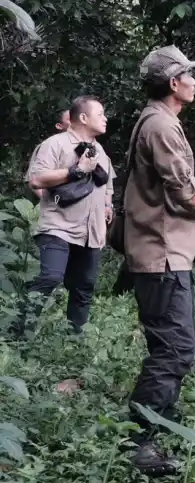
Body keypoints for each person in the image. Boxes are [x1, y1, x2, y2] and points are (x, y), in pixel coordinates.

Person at [123, 45, 195, 476]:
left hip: (167, 251)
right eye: (190, 76)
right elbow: (184, 190)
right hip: (160, 254)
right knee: (176, 349)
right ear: (173, 82)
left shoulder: (162, 123)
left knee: (171, 346)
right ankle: (139, 441)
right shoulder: (161, 126)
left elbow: (179, 193)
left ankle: (159, 421)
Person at [19, 97, 113, 336]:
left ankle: (74, 340)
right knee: (50, 277)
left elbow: (107, 184)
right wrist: (75, 171)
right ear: (83, 118)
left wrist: (107, 204)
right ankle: (18, 331)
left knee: (84, 287)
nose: (105, 118)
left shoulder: (100, 150)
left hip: (91, 231)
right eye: (100, 114)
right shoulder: (54, 144)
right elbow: (37, 179)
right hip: (58, 226)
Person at [26, 109, 71, 201]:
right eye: (70, 118)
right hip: (61, 207)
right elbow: (33, 179)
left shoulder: (91, 145)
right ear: (59, 126)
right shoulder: (50, 145)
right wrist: (53, 203)